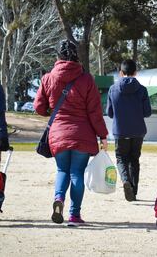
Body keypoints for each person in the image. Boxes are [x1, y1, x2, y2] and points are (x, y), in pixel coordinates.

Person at [34, 40, 108, 226]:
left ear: (57, 56)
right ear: (76, 56)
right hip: (82, 134)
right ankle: (74, 215)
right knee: (77, 173)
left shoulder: (48, 78)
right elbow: (95, 112)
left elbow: (39, 107)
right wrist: (103, 135)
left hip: (58, 134)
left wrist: (51, 111)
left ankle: (59, 198)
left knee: (62, 170)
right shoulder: (86, 79)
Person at [106, 59, 151, 201]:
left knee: (121, 158)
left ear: (121, 73)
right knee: (134, 160)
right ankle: (134, 191)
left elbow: (110, 113)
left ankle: (126, 181)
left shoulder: (113, 89)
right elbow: (147, 112)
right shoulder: (142, 90)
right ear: (135, 72)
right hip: (138, 131)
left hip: (121, 130)